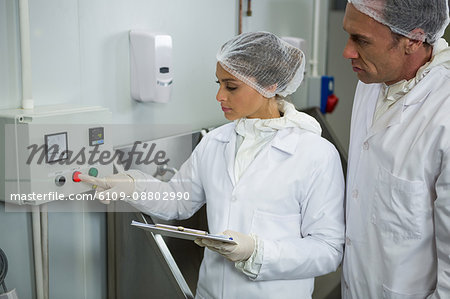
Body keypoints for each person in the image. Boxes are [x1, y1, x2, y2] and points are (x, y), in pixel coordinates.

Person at [81, 31, 345, 299]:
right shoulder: (216, 142)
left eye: (231, 86)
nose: (219, 95)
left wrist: (256, 251)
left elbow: (328, 250)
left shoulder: (315, 154)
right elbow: (178, 201)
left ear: (270, 85)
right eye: (218, 83)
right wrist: (133, 186)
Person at [342, 0, 450, 298]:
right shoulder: (370, 79)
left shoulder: (444, 114)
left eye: (361, 40)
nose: (347, 52)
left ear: (413, 40)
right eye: (348, 35)